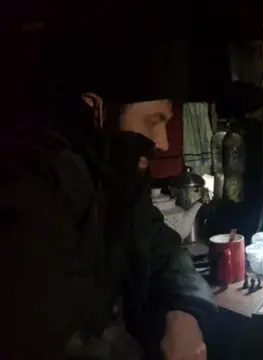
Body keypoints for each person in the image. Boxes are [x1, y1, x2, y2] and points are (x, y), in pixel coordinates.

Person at [0, 20, 216, 360]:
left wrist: (184, 315)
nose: (161, 141)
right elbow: (43, 334)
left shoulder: (118, 174)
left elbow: (165, 252)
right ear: (95, 108)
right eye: (152, 120)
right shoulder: (37, 184)